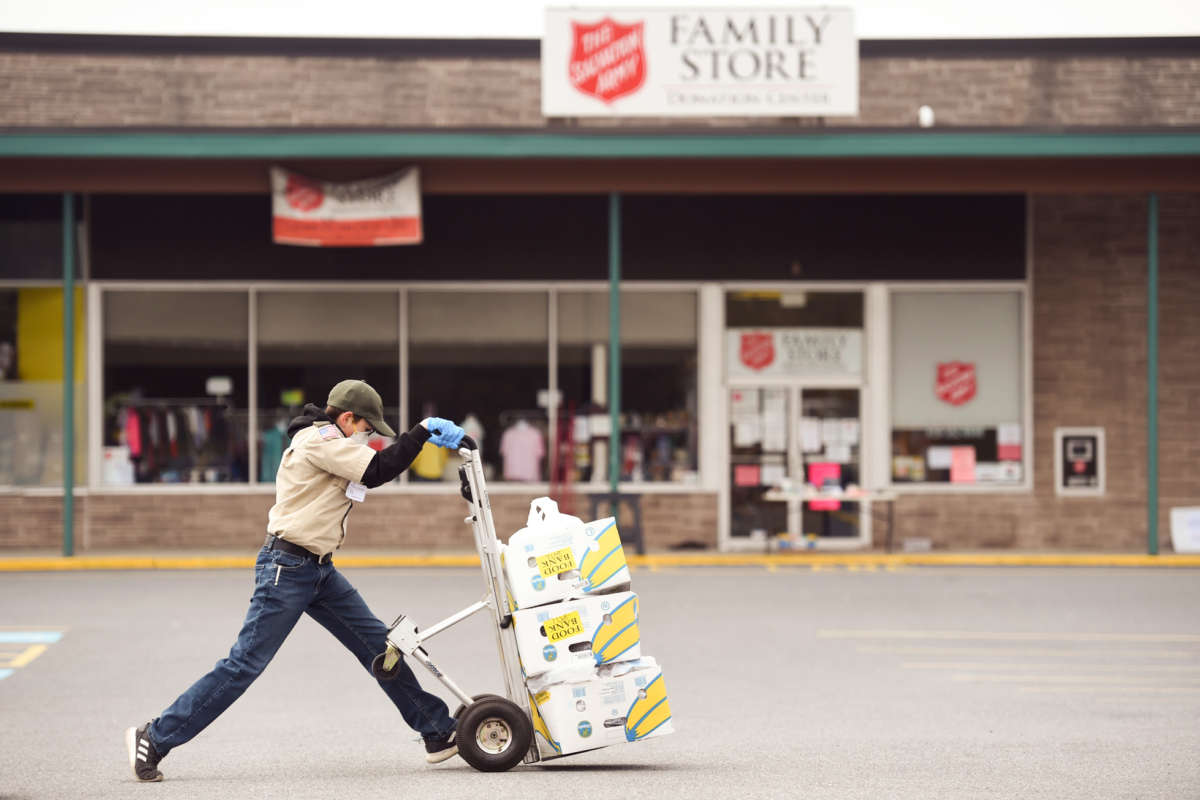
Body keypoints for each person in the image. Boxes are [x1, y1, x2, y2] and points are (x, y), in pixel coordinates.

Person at [125, 379, 467, 782]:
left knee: (380, 647)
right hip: (287, 569)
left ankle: (437, 731)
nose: (369, 438)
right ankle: (155, 736)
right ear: (346, 418)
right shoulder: (318, 440)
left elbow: (371, 469)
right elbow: (376, 471)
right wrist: (422, 431)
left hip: (319, 569)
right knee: (243, 665)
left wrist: (416, 436)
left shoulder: (334, 441)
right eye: (367, 429)